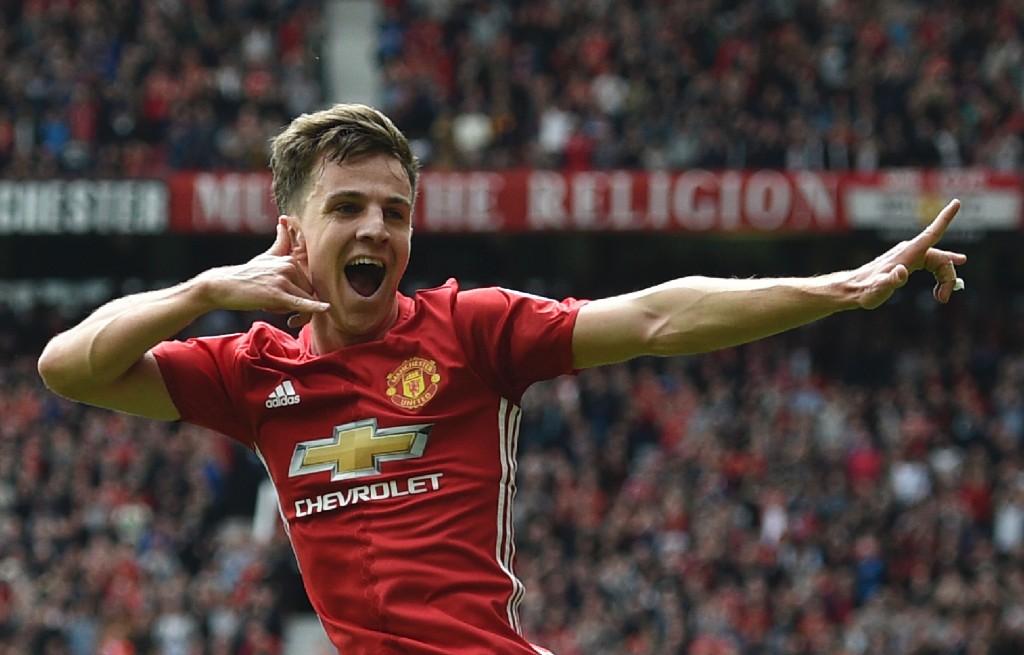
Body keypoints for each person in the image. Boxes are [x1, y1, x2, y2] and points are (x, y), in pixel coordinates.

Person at [37, 103, 967, 655]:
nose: (375, 230)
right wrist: (202, 289)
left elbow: (655, 316)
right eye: (347, 207)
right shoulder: (250, 373)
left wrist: (839, 287)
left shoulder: (469, 331)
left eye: (395, 211)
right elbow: (69, 368)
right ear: (291, 232)